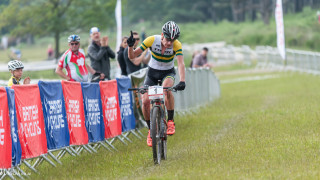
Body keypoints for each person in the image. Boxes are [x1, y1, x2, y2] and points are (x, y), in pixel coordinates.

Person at [127, 21, 186, 146]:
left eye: (173, 40)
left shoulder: (176, 45)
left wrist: (182, 81)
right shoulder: (151, 40)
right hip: (152, 73)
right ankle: (150, 130)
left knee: (166, 89)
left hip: (168, 73)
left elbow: (181, 64)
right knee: (145, 101)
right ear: (162, 34)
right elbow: (132, 56)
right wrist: (130, 47)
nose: (169, 43)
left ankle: (170, 121)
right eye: (168, 39)